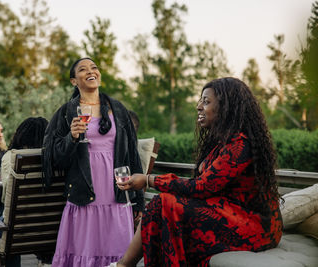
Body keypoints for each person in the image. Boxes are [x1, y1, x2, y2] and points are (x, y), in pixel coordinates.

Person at [114, 77, 283, 267]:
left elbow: (202, 187)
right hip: (226, 212)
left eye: (206, 101)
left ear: (226, 107)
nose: (199, 107)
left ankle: (123, 265)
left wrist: (148, 180)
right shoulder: (221, 142)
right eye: (201, 101)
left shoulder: (240, 144)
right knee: (163, 204)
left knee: (163, 202)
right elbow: (203, 187)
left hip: (254, 225)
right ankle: (124, 265)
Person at [42, 57, 144, 266]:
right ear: (73, 81)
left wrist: (139, 200)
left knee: (118, 255)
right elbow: (55, 158)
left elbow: (132, 155)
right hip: (83, 195)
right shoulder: (65, 113)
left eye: (94, 67)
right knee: (84, 253)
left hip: (116, 193)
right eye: (82, 69)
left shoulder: (118, 110)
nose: (91, 71)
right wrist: (71, 138)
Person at [0, 116, 48, 267]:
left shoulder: (11, 157)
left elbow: (6, 199)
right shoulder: (56, 158)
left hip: (18, 232)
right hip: (50, 229)